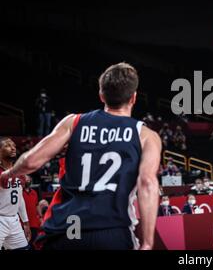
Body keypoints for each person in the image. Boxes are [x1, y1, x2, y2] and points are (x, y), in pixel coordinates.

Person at [0, 63, 162, 250]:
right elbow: (148, 184)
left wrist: (8, 174)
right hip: (112, 229)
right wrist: (148, 243)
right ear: (134, 97)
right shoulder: (146, 135)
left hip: (70, 225)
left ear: (101, 95)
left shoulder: (74, 122)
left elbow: (31, 161)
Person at [0, 138, 31, 249]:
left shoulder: (19, 172)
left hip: (14, 220)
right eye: (8, 145)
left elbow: (20, 198)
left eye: (13, 145)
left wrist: (26, 222)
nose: (13, 148)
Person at [22, 175, 40, 244]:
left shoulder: (34, 192)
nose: (27, 181)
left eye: (28, 179)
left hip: (34, 223)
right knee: (24, 243)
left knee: (34, 243)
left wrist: (40, 217)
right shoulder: (19, 192)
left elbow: (37, 205)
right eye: (26, 179)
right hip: (23, 223)